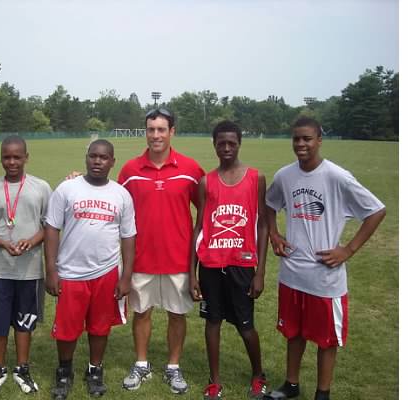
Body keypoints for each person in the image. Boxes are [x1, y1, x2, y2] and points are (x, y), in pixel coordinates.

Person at [264, 116, 386, 400]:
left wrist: (348, 250)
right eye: (296, 138)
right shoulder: (285, 175)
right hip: (292, 273)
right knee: (293, 333)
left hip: (325, 278)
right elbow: (270, 204)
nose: (301, 144)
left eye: (307, 138)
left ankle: (323, 393)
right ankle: (291, 385)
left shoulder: (336, 176)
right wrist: (274, 234)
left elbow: (376, 211)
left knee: (326, 340)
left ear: (320, 140)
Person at [119, 108, 205, 394]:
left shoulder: (191, 170)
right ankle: (141, 364)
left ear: (172, 132)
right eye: (151, 129)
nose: (156, 135)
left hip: (178, 259)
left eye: (161, 129)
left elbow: (206, 209)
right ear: (145, 131)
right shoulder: (130, 170)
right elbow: (111, 199)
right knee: (141, 313)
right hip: (140, 259)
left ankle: (173, 367)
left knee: (176, 315)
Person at [44, 139, 136, 400]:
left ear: (112, 162)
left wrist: (126, 275)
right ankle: (65, 371)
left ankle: (95, 370)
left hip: (106, 272)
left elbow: (129, 236)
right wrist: (51, 270)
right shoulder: (67, 189)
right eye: (93, 156)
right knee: (67, 328)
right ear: (86, 158)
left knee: (99, 327)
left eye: (103, 157)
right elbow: (52, 228)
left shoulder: (121, 194)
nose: (98, 161)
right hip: (71, 272)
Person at [190, 120, 269, 400]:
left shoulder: (255, 178)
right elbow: (199, 227)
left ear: (239, 144)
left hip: (242, 264)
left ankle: (258, 374)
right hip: (211, 265)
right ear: (214, 145)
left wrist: (260, 271)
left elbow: (262, 225)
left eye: (231, 143)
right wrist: (192, 273)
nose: (226, 147)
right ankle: (214, 381)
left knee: (246, 327)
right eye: (220, 143)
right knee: (212, 323)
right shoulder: (205, 182)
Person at [0, 136, 52, 396]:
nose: (12, 162)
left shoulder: (41, 187)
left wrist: (31, 242)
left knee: (24, 321)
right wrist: (2, 243)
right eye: (7, 157)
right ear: (1, 158)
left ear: (26, 157)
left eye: (17, 157)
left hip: (29, 270)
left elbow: (49, 226)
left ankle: (22, 367)